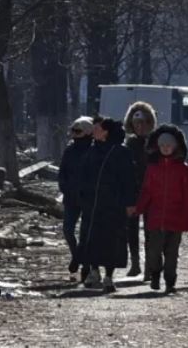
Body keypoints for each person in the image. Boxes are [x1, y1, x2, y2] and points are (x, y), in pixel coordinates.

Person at [135, 125, 188, 294]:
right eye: (162, 146)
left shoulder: (182, 170)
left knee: (172, 254)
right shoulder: (152, 168)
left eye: (168, 146)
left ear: (175, 147)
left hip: (175, 219)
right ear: (157, 147)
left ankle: (170, 282)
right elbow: (146, 191)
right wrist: (139, 208)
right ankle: (155, 274)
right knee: (153, 251)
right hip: (156, 218)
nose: (165, 149)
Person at [78, 117, 137, 293]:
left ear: (106, 132)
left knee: (112, 240)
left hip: (114, 204)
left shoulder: (121, 152)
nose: (93, 131)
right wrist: (82, 195)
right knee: (92, 238)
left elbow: (128, 180)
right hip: (92, 204)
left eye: (97, 128)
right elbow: (83, 175)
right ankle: (94, 271)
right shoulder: (91, 151)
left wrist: (130, 203)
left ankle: (109, 276)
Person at [123, 102, 156, 278]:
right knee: (131, 229)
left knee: (151, 230)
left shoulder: (156, 143)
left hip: (152, 193)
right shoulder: (129, 144)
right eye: (136, 123)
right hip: (133, 192)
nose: (140, 127)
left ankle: (150, 266)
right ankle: (135, 262)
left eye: (143, 122)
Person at [57, 116, 93, 279]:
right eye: (72, 131)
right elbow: (62, 172)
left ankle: (85, 264)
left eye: (77, 131)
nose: (73, 134)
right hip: (71, 197)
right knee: (68, 230)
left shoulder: (94, 150)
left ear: (87, 132)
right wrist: (64, 188)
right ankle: (76, 256)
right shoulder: (69, 150)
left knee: (86, 234)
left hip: (88, 198)